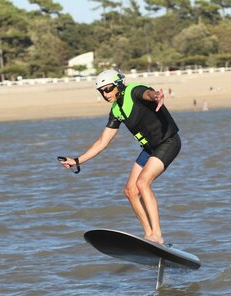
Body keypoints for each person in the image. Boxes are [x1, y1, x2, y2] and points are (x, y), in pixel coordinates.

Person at [60, 69, 181, 244]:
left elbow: (147, 93)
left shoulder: (133, 90)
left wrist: (156, 96)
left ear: (118, 85)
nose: (104, 94)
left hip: (168, 142)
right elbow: (103, 141)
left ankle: (157, 234)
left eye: (108, 89)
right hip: (149, 148)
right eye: (101, 91)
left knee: (142, 183)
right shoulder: (116, 110)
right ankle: (149, 235)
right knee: (130, 190)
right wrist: (78, 160)